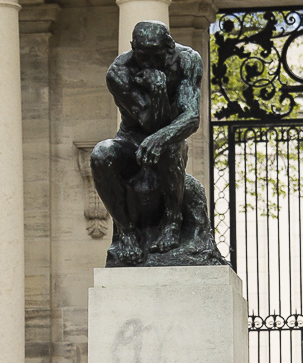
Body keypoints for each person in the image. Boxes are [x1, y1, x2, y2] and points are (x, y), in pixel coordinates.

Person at [91, 21, 223, 267]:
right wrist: (159, 91)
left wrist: (161, 136)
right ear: (133, 48)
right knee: (101, 155)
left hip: (171, 139)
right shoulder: (119, 72)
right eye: (142, 54)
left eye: (155, 54)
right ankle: (127, 233)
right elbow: (147, 121)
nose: (149, 61)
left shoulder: (187, 61)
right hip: (130, 141)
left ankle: (173, 222)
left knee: (169, 147)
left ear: (170, 47)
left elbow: (191, 118)